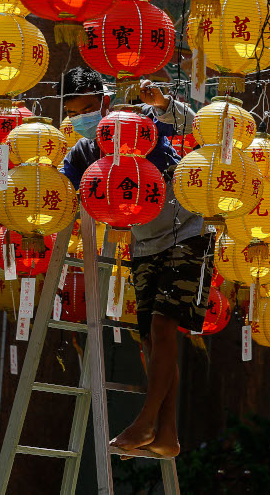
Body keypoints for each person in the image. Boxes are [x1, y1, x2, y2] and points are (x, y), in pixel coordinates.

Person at [60, 67, 209, 458]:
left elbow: (194, 126)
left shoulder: (142, 122)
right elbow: (60, 188)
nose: (87, 117)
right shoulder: (83, 152)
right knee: (153, 340)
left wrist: (163, 103)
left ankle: (145, 421)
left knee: (162, 326)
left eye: (92, 107)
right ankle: (167, 435)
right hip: (143, 246)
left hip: (186, 232)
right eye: (78, 113)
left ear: (106, 100)